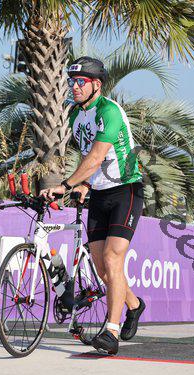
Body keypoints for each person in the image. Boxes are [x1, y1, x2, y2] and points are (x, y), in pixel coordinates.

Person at [40, 57, 144, 355]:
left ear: (96, 85)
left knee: (112, 258)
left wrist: (67, 184)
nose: (74, 87)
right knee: (103, 270)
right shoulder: (75, 115)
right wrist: (85, 183)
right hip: (98, 193)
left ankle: (111, 331)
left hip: (126, 190)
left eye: (80, 82)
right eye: (71, 81)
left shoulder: (109, 111)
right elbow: (89, 158)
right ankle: (134, 305)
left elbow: (97, 156)